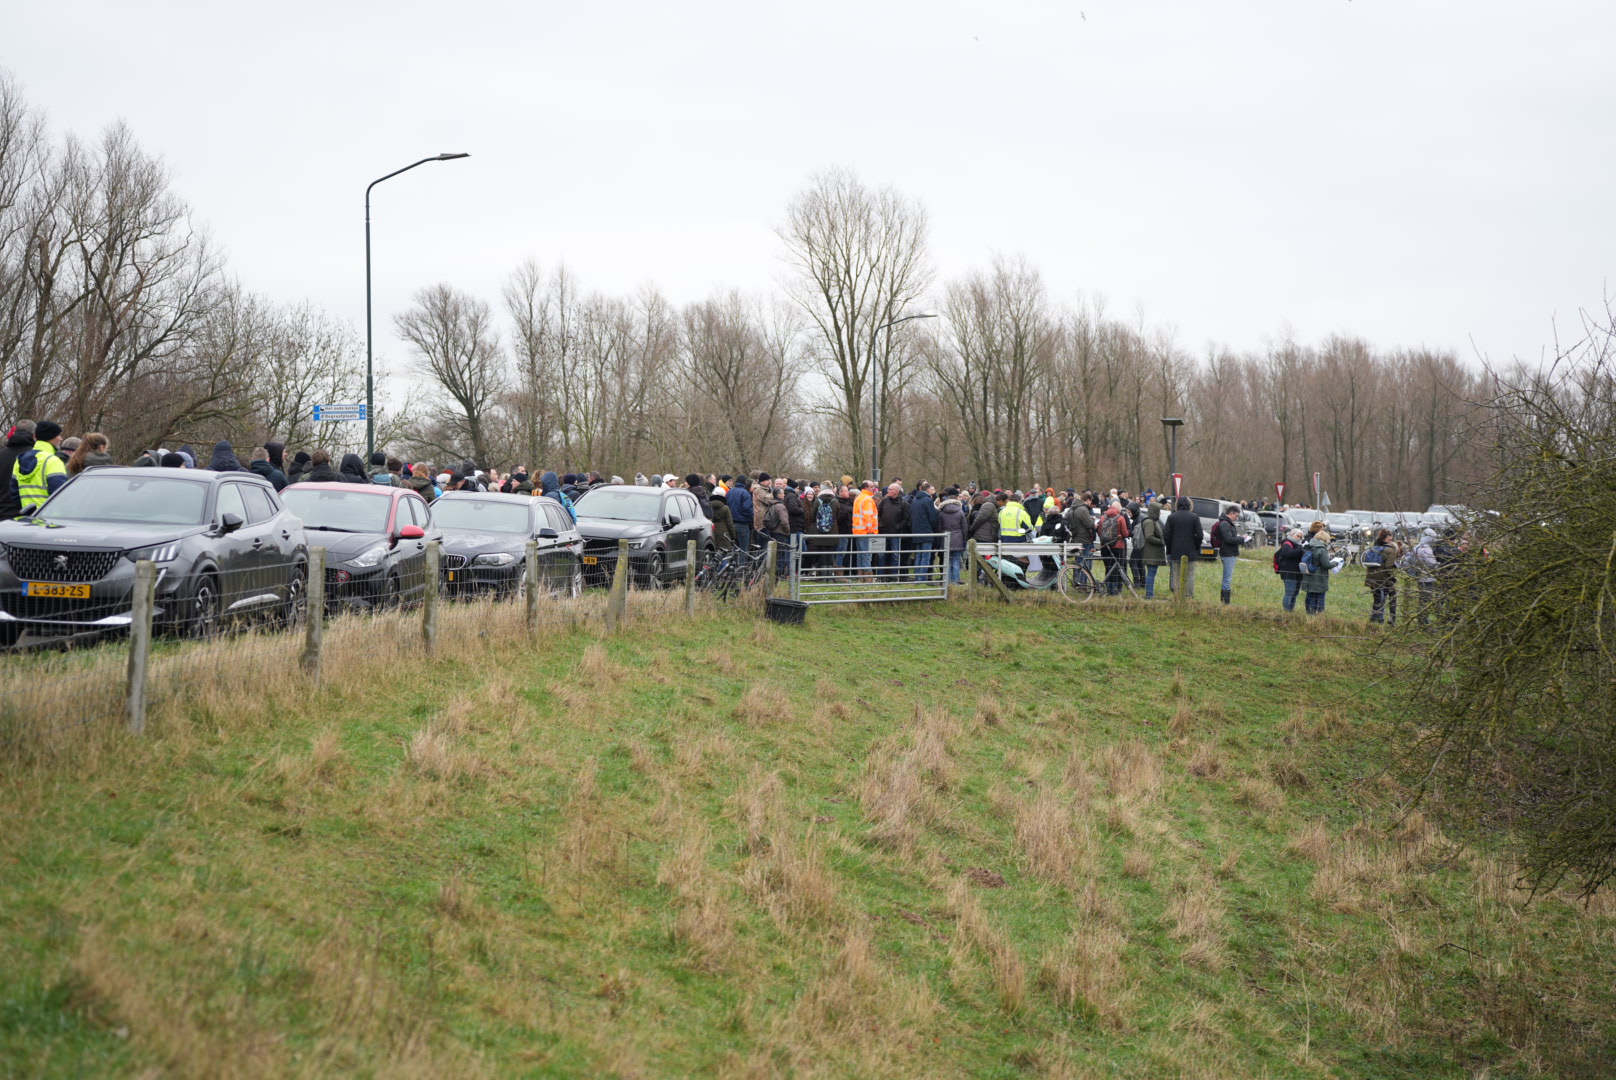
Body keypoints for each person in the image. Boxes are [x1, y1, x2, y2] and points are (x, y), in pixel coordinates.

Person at [14, 420, 68, 512]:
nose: (61, 438)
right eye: (58, 435)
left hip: (27, 516)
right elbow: (61, 496)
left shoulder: (19, 460)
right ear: (51, 437)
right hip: (51, 519)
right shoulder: (53, 461)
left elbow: (14, 493)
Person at [1162, 497, 1203, 598]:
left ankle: (1178, 595)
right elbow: (1200, 535)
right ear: (1189, 505)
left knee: (1176, 575)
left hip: (1176, 551)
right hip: (1190, 551)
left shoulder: (1172, 517)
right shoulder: (1194, 517)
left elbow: (1166, 535)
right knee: (1190, 575)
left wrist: (1170, 547)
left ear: (1177, 505)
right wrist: (1196, 547)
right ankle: (1189, 596)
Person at [1363, 527, 1402, 625]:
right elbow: (1388, 566)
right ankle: (1384, 620)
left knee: (1377, 600)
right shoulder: (1390, 550)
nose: (1391, 541)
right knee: (1385, 599)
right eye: (1389, 539)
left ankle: (1373, 620)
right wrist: (1393, 576)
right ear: (1385, 539)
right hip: (1383, 578)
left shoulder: (1375, 548)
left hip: (1371, 577)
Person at [1210, 504, 1243, 605]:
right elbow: (1228, 539)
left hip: (1229, 552)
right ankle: (1225, 602)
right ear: (1231, 513)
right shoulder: (1225, 524)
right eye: (1236, 515)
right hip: (1228, 553)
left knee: (1228, 577)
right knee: (1227, 578)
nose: (1237, 518)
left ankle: (1225, 601)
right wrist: (1242, 539)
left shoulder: (1226, 523)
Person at [1096, 502, 1131, 596]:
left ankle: (1109, 589)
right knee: (1116, 569)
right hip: (1117, 547)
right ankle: (1115, 591)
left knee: (1108, 568)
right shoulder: (1120, 518)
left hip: (1105, 546)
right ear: (1118, 509)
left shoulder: (1103, 517)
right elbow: (1125, 534)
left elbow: (1099, 532)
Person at [908, 481, 940, 581]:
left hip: (916, 531)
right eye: (931, 489)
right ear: (927, 490)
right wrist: (933, 529)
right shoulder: (927, 500)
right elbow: (933, 517)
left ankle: (917, 576)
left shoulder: (915, 500)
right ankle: (922, 578)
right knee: (925, 556)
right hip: (926, 531)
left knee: (918, 555)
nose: (933, 491)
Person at [937, 487, 969, 585]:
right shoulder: (960, 512)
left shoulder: (941, 512)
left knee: (947, 561)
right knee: (955, 561)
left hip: (945, 539)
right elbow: (964, 528)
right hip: (957, 538)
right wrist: (964, 539)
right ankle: (955, 581)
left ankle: (946, 582)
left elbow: (939, 527)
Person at [1138, 501, 1167, 598]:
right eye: (1158, 510)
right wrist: (1161, 542)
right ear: (1154, 511)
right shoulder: (1149, 522)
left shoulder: (1152, 521)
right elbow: (1149, 537)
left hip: (1153, 552)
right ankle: (1149, 595)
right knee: (1151, 573)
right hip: (1151, 553)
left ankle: (1150, 594)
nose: (1159, 512)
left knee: (1151, 573)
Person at [1301, 527, 1333, 615]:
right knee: (1320, 597)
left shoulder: (1309, 546)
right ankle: (1319, 615)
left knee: (1310, 596)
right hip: (1319, 577)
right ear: (1324, 539)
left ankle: (1310, 613)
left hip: (1309, 575)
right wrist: (1335, 563)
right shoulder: (1322, 550)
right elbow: (1326, 565)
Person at [1274, 528, 1306, 612]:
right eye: (1298, 536)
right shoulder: (1286, 543)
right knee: (1289, 593)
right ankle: (1286, 611)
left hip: (1297, 573)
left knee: (1295, 593)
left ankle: (1291, 610)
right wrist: (1301, 549)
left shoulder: (1298, 545)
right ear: (1292, 534)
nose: (1299, 538)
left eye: (1301, 537)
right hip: (1288, 572)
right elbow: (1289, 554)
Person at [851, 481, 878, 579]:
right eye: (871, 486)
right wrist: (872, 531)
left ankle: (861, 576)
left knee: (860, 555)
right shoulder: (868, 499)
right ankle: (868, 577)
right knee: (866, 555)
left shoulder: (859, 498)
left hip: (858, 531)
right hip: (866, 531)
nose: (873, 488)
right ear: (866, 487)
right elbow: (868, 516)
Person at [726, 476, 755, 554]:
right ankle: (742, 565)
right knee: (743, 549)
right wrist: (752, 519)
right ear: (745, 483)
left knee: (735, 548)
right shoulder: (745, 493)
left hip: (731, 524)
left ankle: (733, 565)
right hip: (743, 524)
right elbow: (747, 509)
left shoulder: (729, 492)